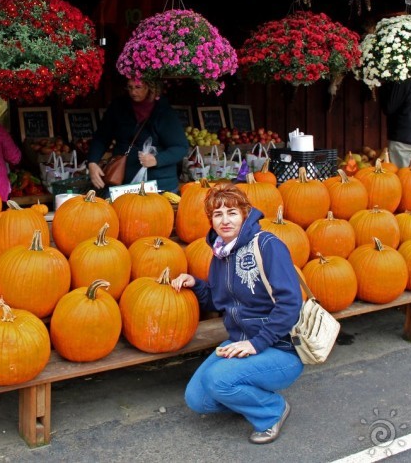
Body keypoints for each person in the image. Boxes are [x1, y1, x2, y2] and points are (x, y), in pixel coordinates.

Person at [171, 183, 303, 445]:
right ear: (211, 220)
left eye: (232, 212)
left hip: (280, 347)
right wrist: (195, 284)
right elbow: (219, 302)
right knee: (197, 399)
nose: (225, 220)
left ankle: (272, 411)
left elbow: (290, 303)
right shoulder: (220, 255)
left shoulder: (267, 245)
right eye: (218, 214)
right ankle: (244, 396)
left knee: (218, 381)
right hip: (240, 341)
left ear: (244, 214)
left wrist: (257, 344)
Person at [87, 78, 187, 192]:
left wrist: (157, 160)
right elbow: (101, 137)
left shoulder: (164, 112)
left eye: (138, 87)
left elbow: (181, 147)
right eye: (130, 87)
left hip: (159, 184)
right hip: (122, 182)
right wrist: (92, 162)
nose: (133, 92)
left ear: (150, 87)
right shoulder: (118, 107)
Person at [378, 79, 411, 168]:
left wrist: (382, 85)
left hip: (403, 139)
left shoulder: (403, 79)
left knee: (401, 177)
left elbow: (389, 107)